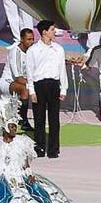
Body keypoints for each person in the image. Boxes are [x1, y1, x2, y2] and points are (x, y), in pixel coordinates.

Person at [26, 19, 66, 158]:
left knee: (54, 119)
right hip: (39, 86)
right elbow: (30, 72)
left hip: (54, 85)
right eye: (52, 29)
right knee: (39, 118)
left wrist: (63, 89)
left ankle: (53, 149)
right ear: (44, 32)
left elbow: (62, 70)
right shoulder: (33, 50)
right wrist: (31, 90)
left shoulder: (59, 49)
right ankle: (40, 147)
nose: (54, 32)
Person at [0, 28, 36, 128]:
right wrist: (33, 85)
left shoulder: (31, 51)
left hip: (22, 81)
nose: (31, 42)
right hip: (8, 82)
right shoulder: (16, 53)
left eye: (32, 39)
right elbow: (18, 78)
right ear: (21, 39)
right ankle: (23, 120)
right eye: (28, 39)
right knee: (25, 90)